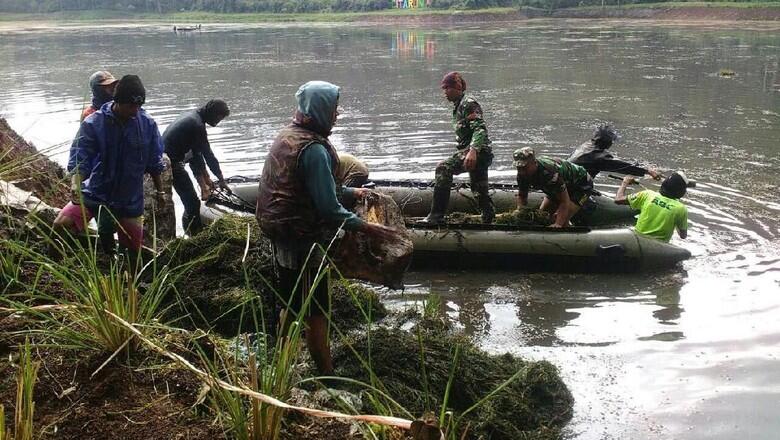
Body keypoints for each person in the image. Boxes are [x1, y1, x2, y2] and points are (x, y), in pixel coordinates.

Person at [255, 81, 396, 376]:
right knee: (317, 312)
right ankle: (327, 375)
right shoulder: (314, 150)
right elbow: (329, 209)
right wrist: (368, 228)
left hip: (281, 236)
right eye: (333, 109)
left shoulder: (288, 136)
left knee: (290, 303)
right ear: (320, 110)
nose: (336, 115)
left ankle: (280, 363)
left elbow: (309, 188)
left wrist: (353, 193)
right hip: (302, 241)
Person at [54, 74, 166, 263]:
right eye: (130, 106)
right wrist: (75, 184)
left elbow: (154, 162)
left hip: (129, 199)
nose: (135, 111)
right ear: (117, 101)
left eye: (139, 106)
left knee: (132, 254)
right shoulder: (94, 122)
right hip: (96, 192)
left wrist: (160, 192)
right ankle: (57, 265)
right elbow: (81, 156)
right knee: (61, 225)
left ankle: (126, 275)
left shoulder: (147, 124)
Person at [421, 71, 494, 225]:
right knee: (479, 190)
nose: (444, 92)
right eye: (443, 88)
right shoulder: (459, 105)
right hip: (476, 152)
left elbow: (480, 129)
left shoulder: (468, 103)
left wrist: (473, 151)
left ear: (457, 88)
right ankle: (489, 219)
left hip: (478, 151)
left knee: (443, 168)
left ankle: (436, 216)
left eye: (447, 88)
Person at [163, 99, 230, 235]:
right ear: (212, 113)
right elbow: (208, 155)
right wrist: (221, 180)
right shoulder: (197, 125)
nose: (218, 122)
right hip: (169, 162)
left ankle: (190, 230)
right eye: (218, 118)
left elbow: (196, 154)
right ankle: (196, 235)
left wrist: (206, 179)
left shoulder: (194, 117)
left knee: (190, 197)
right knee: (192, 202)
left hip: (167, 156)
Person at [513, 147, 593, 228]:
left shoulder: (549, 172)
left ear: (534, 163)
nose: (522, 172)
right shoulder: (522, 175)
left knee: (562, 221)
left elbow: (564, 201)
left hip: (581, 185)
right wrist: (520, 212)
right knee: (542, 217)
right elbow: (522, 196)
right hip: (558, 186)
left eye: (525, 167)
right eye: (519, 168)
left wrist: (558, 224)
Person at [614, 172, 689, 242]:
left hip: (636, 240)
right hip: (658, 247)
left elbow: (618, 199)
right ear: (680, 192)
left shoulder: (647, 194)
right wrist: (677, 221)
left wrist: (625, 182)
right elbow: (683, 236)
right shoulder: (681, 209)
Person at [568, 124, 661, 180]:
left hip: (566, 178)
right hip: (572, 184)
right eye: (611, 141)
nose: (612, 143)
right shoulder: (599, 157)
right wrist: (648, 171)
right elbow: (622, 167)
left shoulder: (586, 145)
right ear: (606, 142)